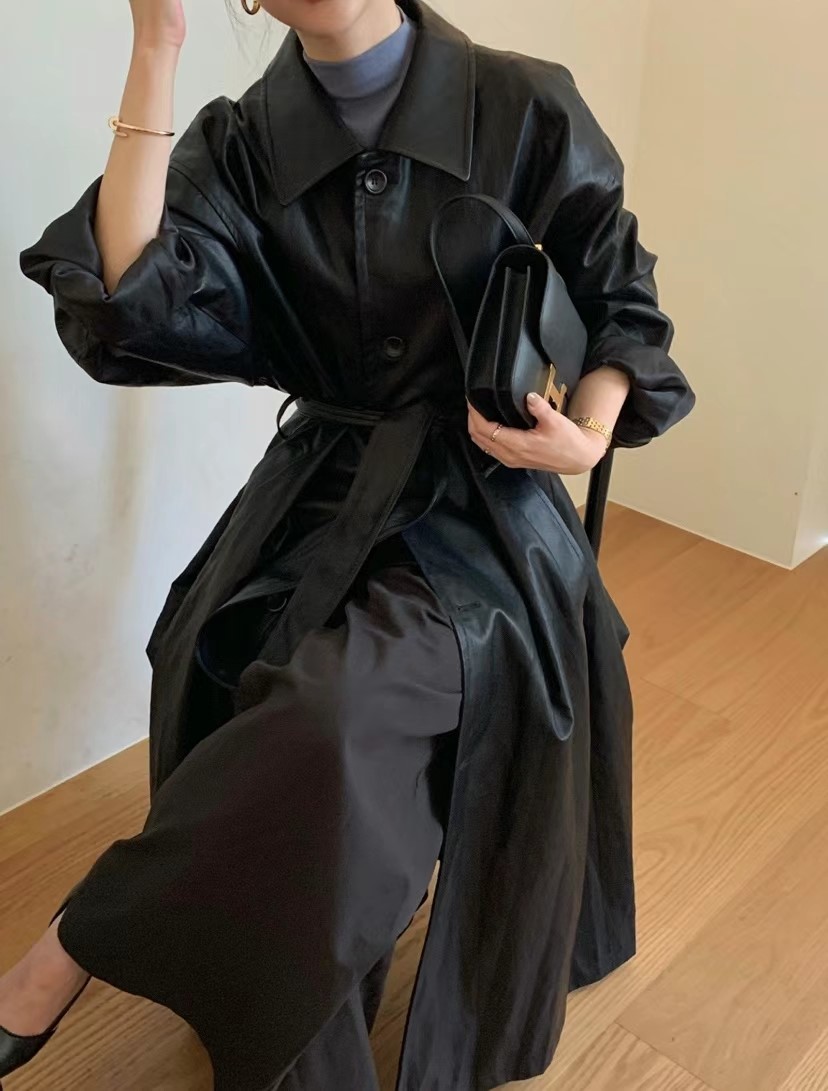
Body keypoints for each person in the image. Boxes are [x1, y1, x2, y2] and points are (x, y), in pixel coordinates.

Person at [2, 0, 696, 1088]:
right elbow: (131, 296)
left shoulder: (524, 102)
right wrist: (155, 44)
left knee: (333, 711)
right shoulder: (243, 141)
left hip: (486, 517)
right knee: (231, 668)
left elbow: (622, 303)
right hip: (315, 497)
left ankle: (76, 939)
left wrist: (590, 433)